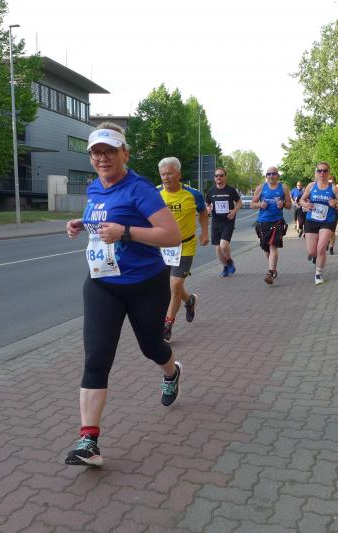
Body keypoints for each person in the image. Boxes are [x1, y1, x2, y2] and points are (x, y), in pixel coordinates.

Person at [64, 123, 182, 467]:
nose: (102, 159)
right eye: (96, 153)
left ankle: (171, 373)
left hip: (145, 284)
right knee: (96, 358)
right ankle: (88, 440)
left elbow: (171, 235)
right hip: (102, 283)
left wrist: (125, 232)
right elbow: (105, 220)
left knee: (152, 347)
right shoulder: (94, 188)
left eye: (109, 152)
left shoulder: (140, 189)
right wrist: (83, 223)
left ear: (124, 154)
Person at [158, 157, 209, 342]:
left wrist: (204, 232)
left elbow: (203, 212)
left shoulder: (193, 194)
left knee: (175, 285)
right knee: (168, 287)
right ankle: (189, 300)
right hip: (161, 247)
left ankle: (167, 325)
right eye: (163, 174)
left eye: (170, 173)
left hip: (184, 245)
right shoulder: (154, 193)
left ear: (179, 174)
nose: (166, 177)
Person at [300, 162, 338, 285]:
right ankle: (314, 256)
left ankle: (318, 274)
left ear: (328, 173)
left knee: (321, 248)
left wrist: (336, 204)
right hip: (311, 220)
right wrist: (305, 204)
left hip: (327, 221)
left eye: (324, 171)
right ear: (316, 172)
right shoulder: (311, 186)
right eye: (319, 170)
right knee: (312, 251)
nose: (322, 173)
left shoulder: (333, 188)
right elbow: (301, 200)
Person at [252, 166, 292, 284]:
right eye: (269, 174)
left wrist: (283, 204)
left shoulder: (283, 188)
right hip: (263, 222)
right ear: (266, 176)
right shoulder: (261, 188)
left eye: (274, 174)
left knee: (272, 246)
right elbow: (252, 204)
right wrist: (260, 205)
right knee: (266, 249)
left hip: (277, 221)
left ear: (278, 176)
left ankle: (270, 272)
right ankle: (273, 268)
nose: (271, 176)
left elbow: (289, 205)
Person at [205, 167, 242, 277]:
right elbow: (207, 205)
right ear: (214, 178)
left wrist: (234, 211)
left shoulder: (230, 190)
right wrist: (208, 209)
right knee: (218, 248)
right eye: (216, 175)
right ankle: (225, 267)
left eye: (221, 175)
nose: (219, 177)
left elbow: (239, 203)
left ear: (225, 177)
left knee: (223, 245)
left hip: (228, 220)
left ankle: (229, 261)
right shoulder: (210, 191)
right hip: (216, 221)